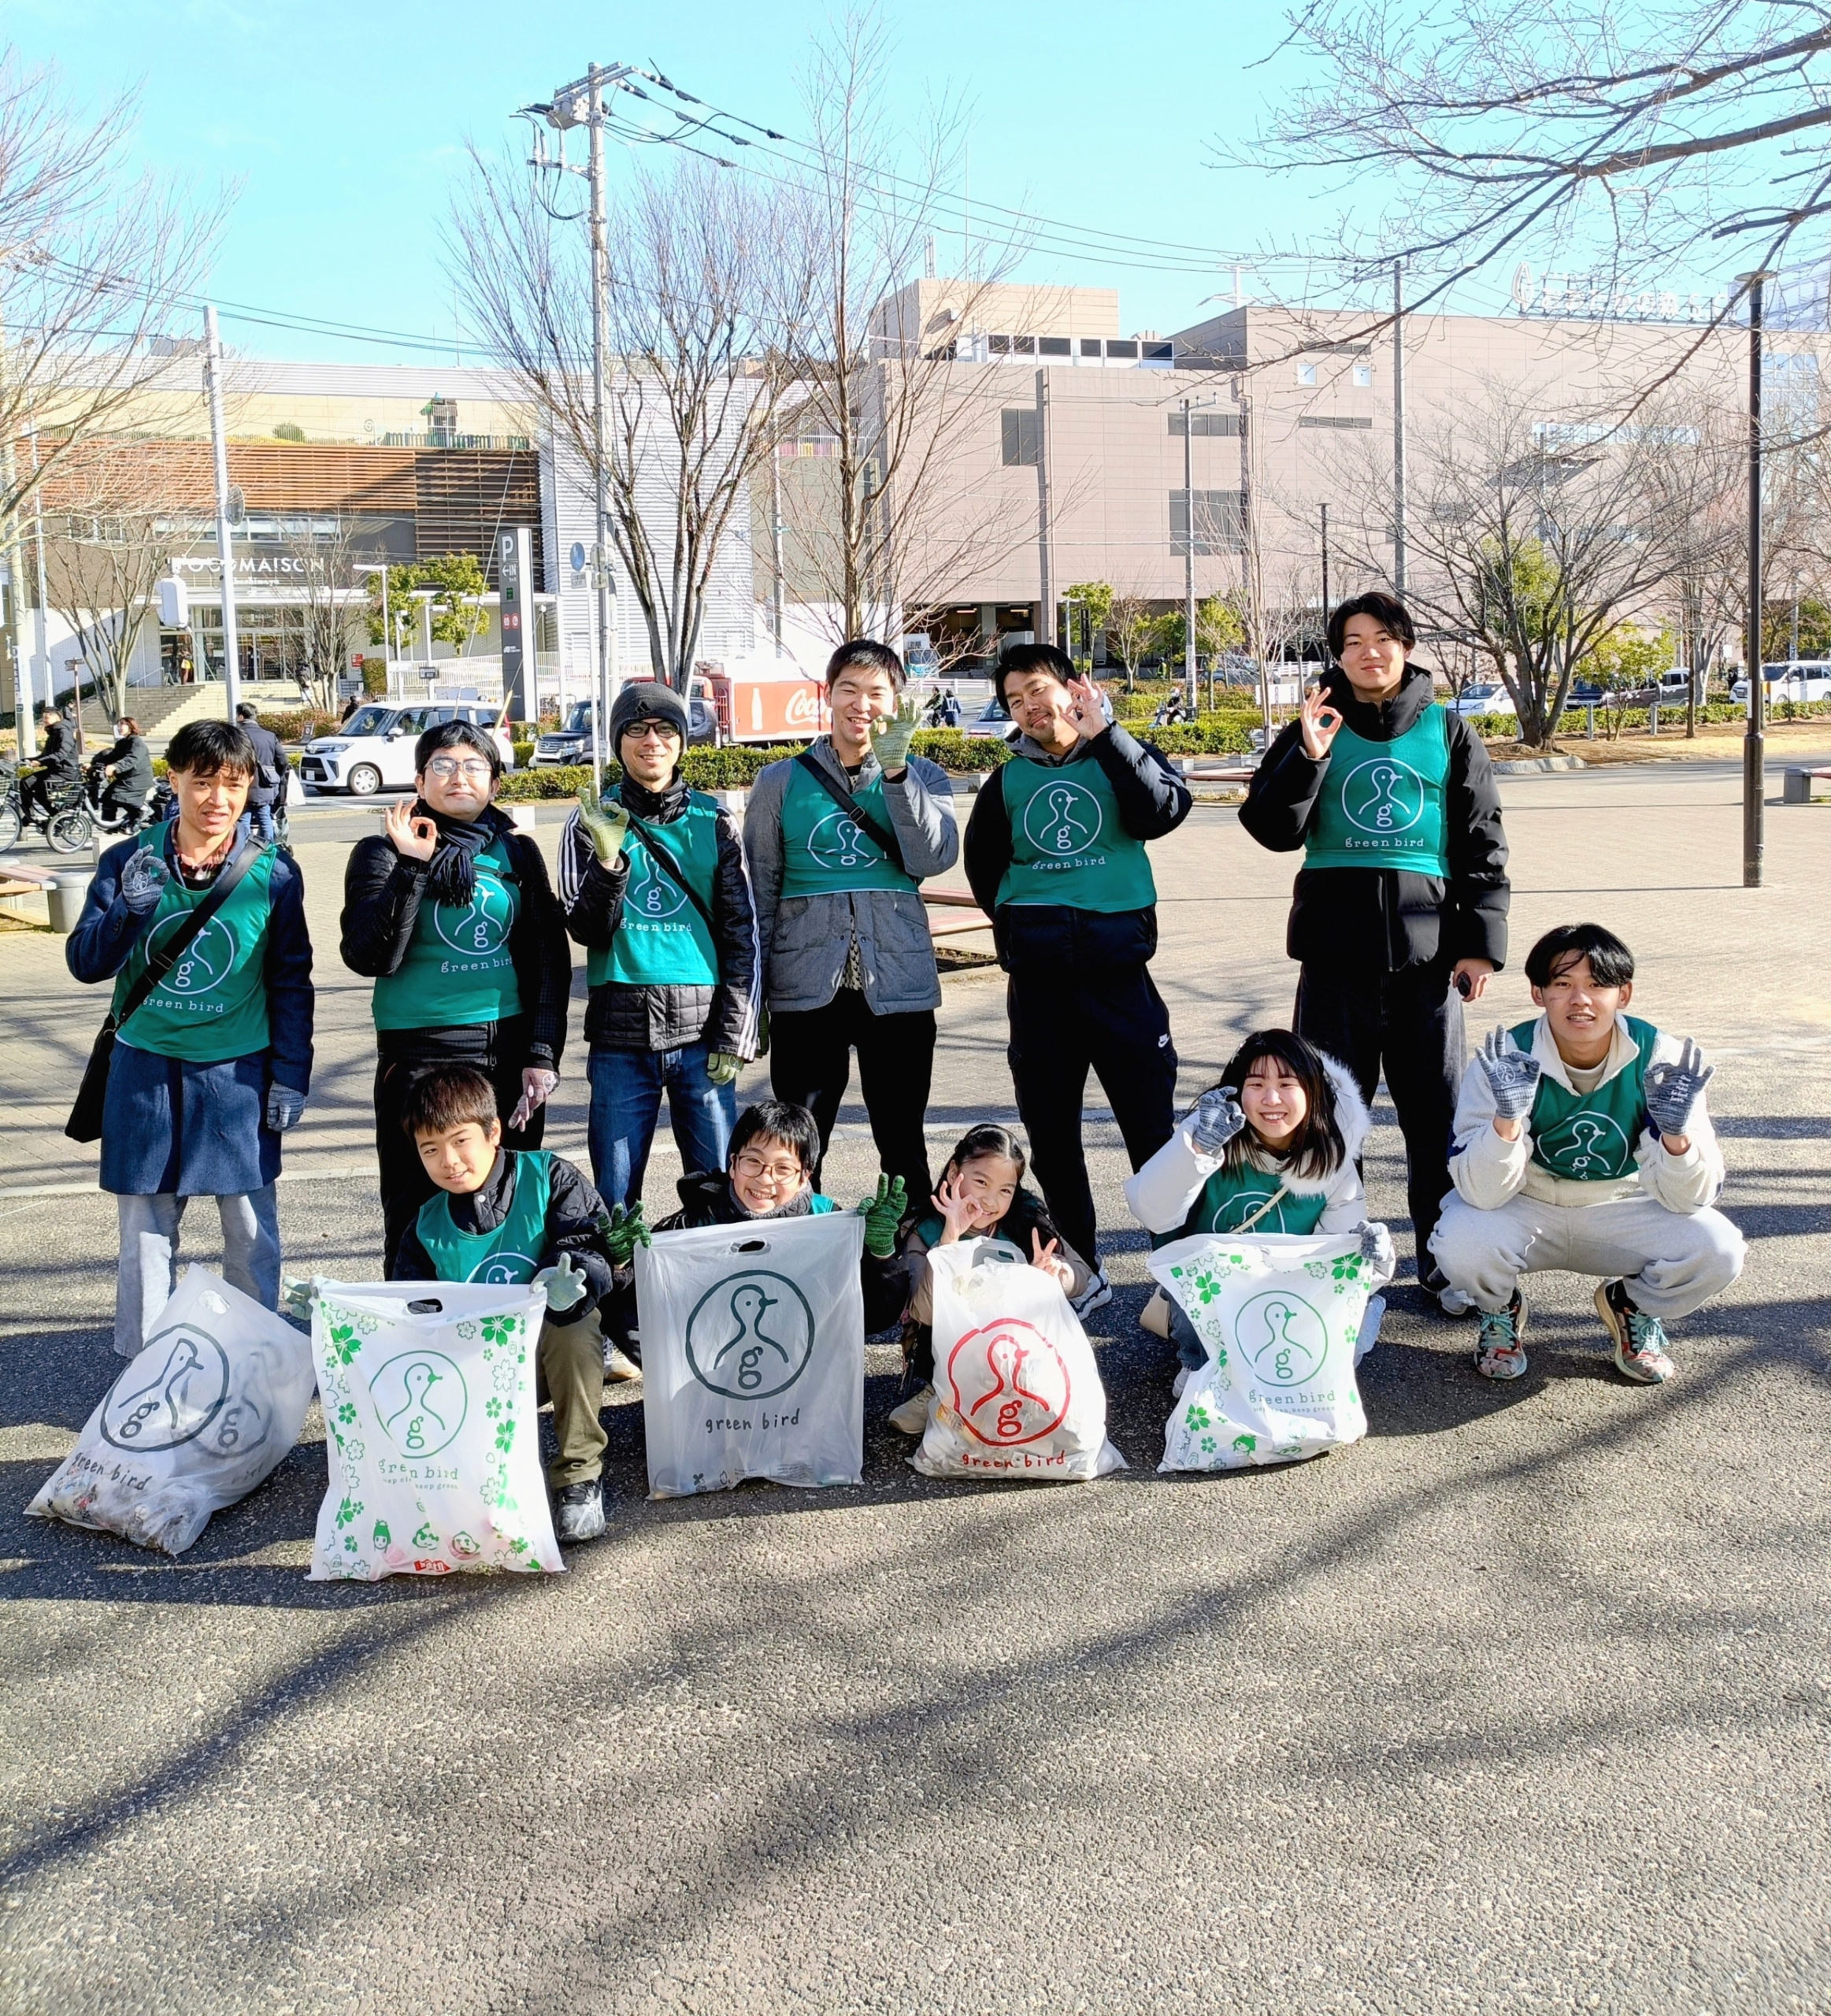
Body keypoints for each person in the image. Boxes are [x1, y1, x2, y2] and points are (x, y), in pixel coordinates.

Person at [1239, 591, 1510, 1312]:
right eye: (1352, 640)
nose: (1368, 651)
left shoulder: (1449, 733)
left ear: (1407, 646)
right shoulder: (1314, 726)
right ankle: (1335, 1262)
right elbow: (1269, 828)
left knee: (1436, 1119)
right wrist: (1308, 753)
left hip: (1428, 967)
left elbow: (1482, 843)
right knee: (1328, 1119)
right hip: (1333, 963)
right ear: (1336, 654)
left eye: (1383, 637)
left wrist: (1479, 946)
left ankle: (1442, 1259)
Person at [66, 718, 314, 1356]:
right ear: (174, 779)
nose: (217, 800)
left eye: (233, 784)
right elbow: (86, 963)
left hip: (237, 1074)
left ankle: (254, 1363)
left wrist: (291, 1073)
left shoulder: (274, 874)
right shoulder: (129, 859)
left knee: (251, 1232)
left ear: (250, 787)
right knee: (145, 1234)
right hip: (145, 1071)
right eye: (201, 782)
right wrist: (128, 908)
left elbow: (292, 982)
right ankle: (144, 1374)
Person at [963, 641, 1192, 1317]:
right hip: (1038, 989)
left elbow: (1163, 811)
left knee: (1152, 1135)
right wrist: (1023, 929)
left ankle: (1178, 1270)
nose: (1031, 707)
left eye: (1038, 689)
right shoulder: (1006, 781)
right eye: (1014, 700)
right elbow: (985, 872)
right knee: (1053, 1136)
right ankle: (1079, 1267)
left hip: (1121, 978)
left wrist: (1108, 735)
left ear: (1071, 687)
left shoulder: (1119, 753)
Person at [1430, 923, 1744, 1384]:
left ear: (1625, 993)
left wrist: (1676, 1137)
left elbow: (1691, 1200)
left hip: (1619, 1208)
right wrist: (1506, 1122)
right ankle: (1500, 1310)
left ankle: (1631, 1306)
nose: (1581, 999)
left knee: (1718, 1249)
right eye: (1563, 984)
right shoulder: (1505, 1059)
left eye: (1598, 985)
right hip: (1526, 1208)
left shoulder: (1660, 1057)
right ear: (1538, 993)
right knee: (1461, 1241)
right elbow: (1480, 1192)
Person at [339, 718, 571, 1271]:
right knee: (416, 1201)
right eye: (442, 765)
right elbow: (370, 956)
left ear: (494, 783)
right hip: (419, 1057)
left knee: (508, 1202)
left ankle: (508, 1326)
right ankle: (414, 1326)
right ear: (420, 782)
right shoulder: (382, 852)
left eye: (474, 766)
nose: (457, 777)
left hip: (505, 1054)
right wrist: (413, 870)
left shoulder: (517, 853)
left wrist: (541, 1054)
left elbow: (547, 958)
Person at [743, 639, 958, 1210]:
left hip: (899, 984)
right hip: (807, 985)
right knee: (802, 1138)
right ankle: (800, 1243)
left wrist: (896, 774)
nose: (860, 704)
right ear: (828, 695)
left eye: (876, 692)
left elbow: (932, 857)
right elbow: (760, 887)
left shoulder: (926, 775)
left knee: (902, 1135)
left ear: (895, 701)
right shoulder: (779, 782)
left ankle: (909, 1255)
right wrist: (756, 996)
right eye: (848, 690)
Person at [558, 679, 760, 1238]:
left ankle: (713, 1305)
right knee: (615, 1199)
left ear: (682, 741)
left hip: (703, 1033)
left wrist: (735, 1032)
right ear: (618, 741)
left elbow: (743, 933)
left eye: (666, 729)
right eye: (637, 729)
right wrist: (607, 865)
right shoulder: (588, 819)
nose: (652, 740)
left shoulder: (714, 820)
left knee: (719, 1190)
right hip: (621, 1035)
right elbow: (584, 929)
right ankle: (622, 1310)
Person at [382, 1065, 615, 1544]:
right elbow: (408, 1315)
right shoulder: (424, 1225)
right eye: (430, 1149)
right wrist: (334, 1314)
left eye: (460, 1140)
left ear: (493, 1131)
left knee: (576, 1324)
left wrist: (574, 1273)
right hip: (476, 1377)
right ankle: (463, 1479)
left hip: (541, 1362)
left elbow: (592, 1243)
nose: (448, 1160)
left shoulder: (549, 1176)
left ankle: (579, 1477)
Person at [1124, 1028, 1395, 1384]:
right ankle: (1197, 1364)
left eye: (1287, 1084)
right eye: (1256, 1084)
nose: (1271, 1099)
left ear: (1311, 1090)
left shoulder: (1333, 1154)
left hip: (1293, 1295)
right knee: (1209, 1334)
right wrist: (1197, 1151)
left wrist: (1377, 1258)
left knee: (1345, 1342)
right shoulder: (1210, 1131)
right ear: (1238, 1090)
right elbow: (1152, 1212)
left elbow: (1341, 1268)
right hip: (1213, 1291)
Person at [606, 1099, 910, 1347]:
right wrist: (622, 1265)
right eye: (753, 1161)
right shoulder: (696, 1222)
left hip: (804, 1384)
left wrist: (879, 1255)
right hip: (707, 1387)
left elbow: (875, 1317)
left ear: (806, 1175)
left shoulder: (829, 1222)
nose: (765, 1178)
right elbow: (632, 1316)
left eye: (783, 1168)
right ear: (733, 1164)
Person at [885, 1121, 1091, 1435]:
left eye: (1005, 1190)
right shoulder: (923, 1226)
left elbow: (1083, 1275)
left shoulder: (1025, 1219)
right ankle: (942, 1393)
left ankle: (1027, 1392)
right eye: (981, 1182)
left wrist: (1053, 1274)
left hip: (1018, 1349)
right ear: (955, 1174)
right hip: (944, 1347)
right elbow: (922, 1311)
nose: (991, 1201)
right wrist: (950, 1237)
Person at [87, 716, 155, 830]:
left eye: (122, 725)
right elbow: (111, 756)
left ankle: (143, 810)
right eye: (118, 726)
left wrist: (115, 766)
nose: (119, 728)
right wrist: (92, 764)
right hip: (128, 778)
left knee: (118, 795)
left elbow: (132, 759)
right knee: (107, 799)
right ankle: (109, 826)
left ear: (131, 726)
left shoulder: (137, 742)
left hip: (139, 779)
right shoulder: (122, 743)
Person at [17, 706, 81, 828]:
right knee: (26, 782)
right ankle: (30, 815)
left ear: (57, 717)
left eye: (47, 717)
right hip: (54, 769)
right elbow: (46, 755)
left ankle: (57, 818)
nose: (44, 720)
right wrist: (28, 760)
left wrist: (41, 762)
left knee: (41, 792)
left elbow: (61, 754)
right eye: (43, 718)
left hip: (66, 771)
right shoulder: (54, 732)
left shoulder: (63, 732)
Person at [235, 702, 288, 846]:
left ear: (240, 716)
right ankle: (268, 849)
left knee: (243, 820)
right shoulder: (269, 736)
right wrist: (276, 774)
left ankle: (243, 850)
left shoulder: (236, 736)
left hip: (242, 785)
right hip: (265, 785)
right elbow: (283, 760)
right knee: (265, 818)